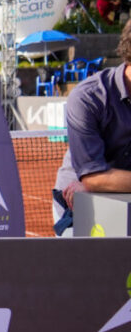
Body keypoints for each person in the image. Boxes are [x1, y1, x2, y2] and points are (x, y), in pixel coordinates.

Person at [53, 18, 131, 234]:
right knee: (91, 257)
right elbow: (94, 177)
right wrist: (97, 183)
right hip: (78, 206)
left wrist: (101, 182)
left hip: (123, 195)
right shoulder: (88, 97)